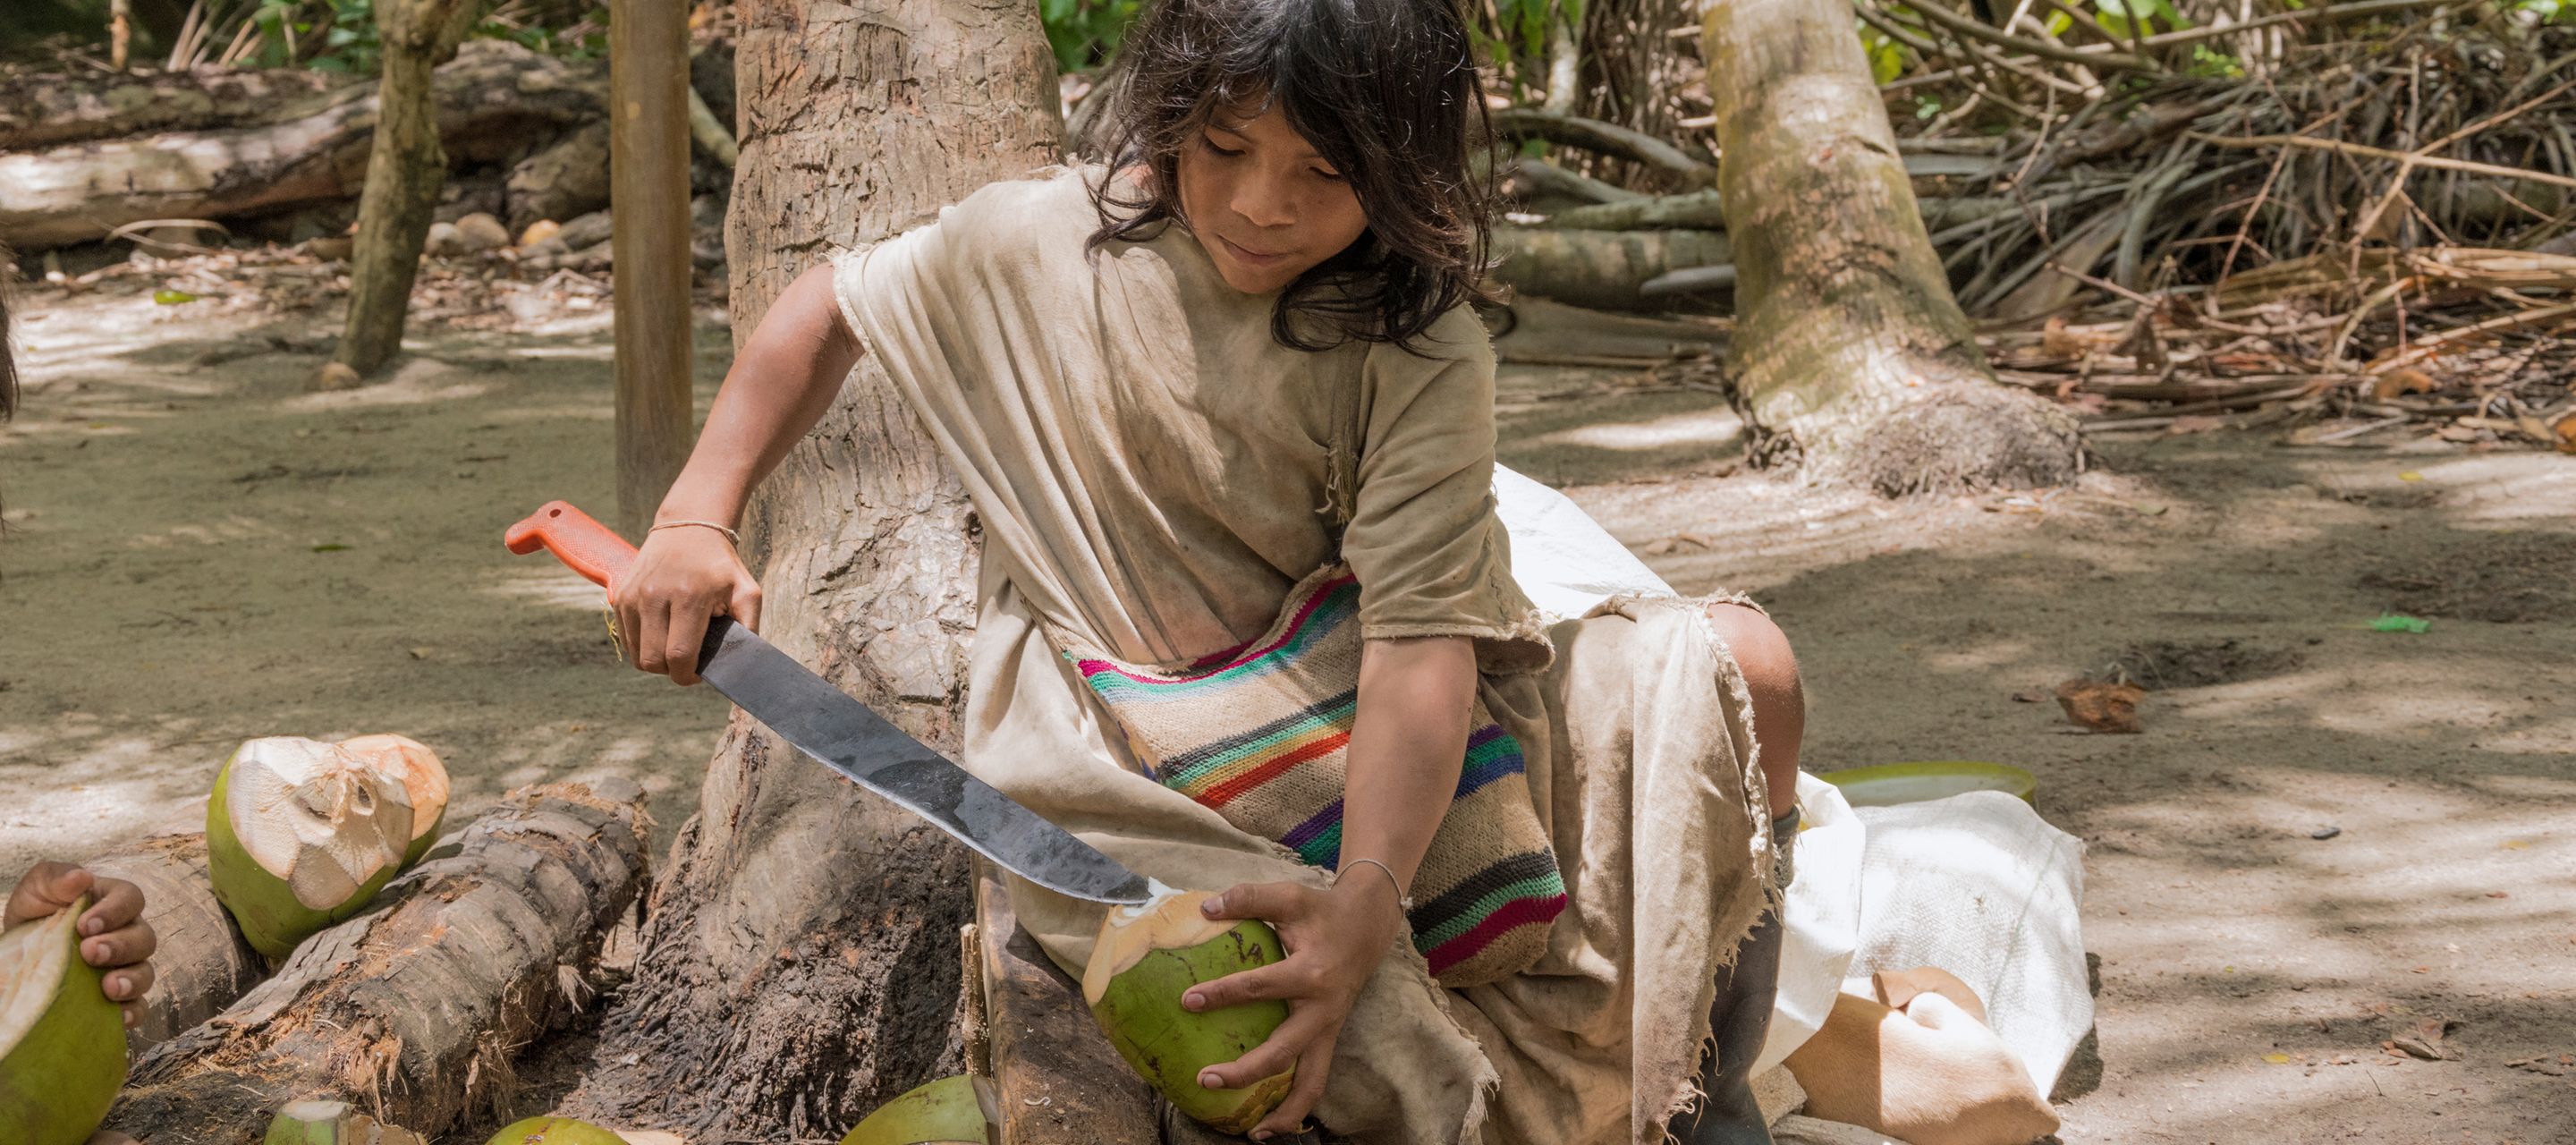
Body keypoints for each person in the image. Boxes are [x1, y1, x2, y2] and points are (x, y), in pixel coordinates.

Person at [614, 2, 1805, 1141]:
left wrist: (1369, 895)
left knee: (1745, 670)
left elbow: (1421, 645)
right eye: (1224, 148)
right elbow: (831, 304)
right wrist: (692, 518)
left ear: (1400, 176)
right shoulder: (1044, 243)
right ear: (1175, 108)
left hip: (1369, 706)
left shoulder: (1415, 346)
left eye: (1324, 178)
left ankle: (1713, 1105)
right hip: (1118, 752)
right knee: (1322, 1040)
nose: (1258, 206)